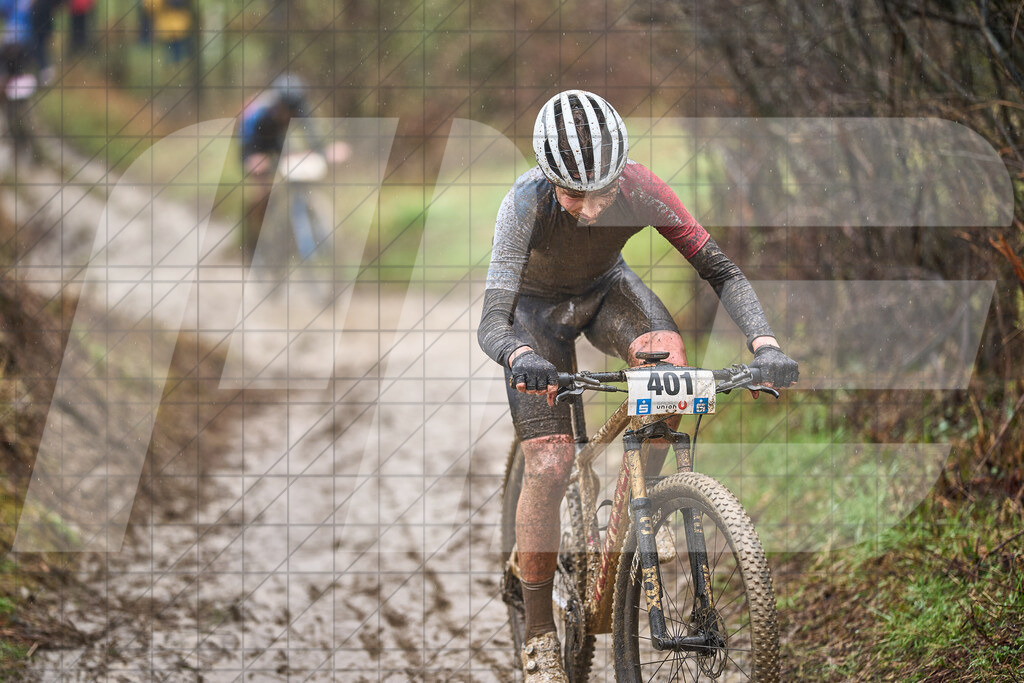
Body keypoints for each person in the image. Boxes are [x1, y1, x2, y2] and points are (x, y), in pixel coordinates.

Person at [478, 90, 799, 681]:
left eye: (602, 192)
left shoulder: (642, 187)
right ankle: (541, 633)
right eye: (574, 194)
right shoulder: (525, 203)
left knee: (669, 364)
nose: (591, 209)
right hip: (533, 315)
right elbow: (493, 321)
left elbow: (720, 269)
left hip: (607, 294)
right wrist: (520, 354)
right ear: (549, 179)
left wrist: (765, 345)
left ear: (620, 173)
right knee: (550, 462)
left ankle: (643, 507)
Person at [238, 74, 313, 257]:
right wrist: (253, 157)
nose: (290, 114)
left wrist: (324, 149)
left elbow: (312, 131)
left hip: (278, 142)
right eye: (287, 110)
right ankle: (254, 239)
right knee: (262, 193)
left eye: (293, 110)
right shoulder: (260, 112)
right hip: (254, 144)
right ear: (278, 104)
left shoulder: (297, 107)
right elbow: (246, 139)